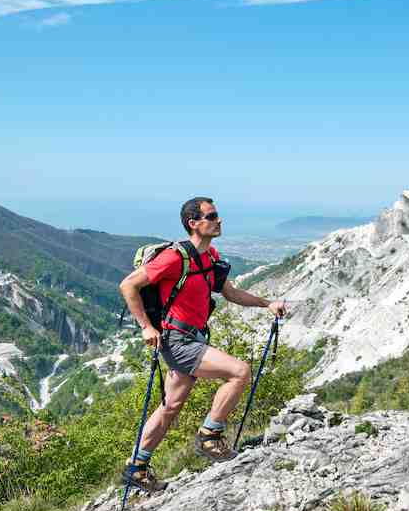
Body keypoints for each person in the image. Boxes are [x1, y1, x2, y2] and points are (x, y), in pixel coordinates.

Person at [118, 196, 286, 493]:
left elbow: (231, 293)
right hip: (177, 339)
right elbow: (128, 284)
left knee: (171, 407)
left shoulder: (210, 257)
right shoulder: (174, 257)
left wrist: (266, 303)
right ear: (193, 223)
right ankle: (210, 435)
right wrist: (146, 327)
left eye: (217, 215)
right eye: (212, 216)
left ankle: (137, 466)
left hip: (192, 337)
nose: (218, 220)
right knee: (239, 372)